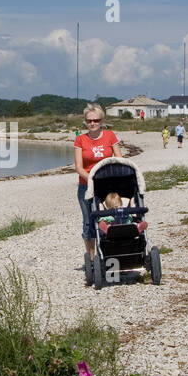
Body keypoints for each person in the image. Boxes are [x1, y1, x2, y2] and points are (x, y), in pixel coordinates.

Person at [74, 103, 123, 260]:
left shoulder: (110, 136)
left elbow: (119, 159)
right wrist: (92, 179)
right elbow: (79, 167)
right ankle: (91, 257)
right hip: (87, 186)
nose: (92, 123)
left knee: (111, 216)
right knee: (89, 222)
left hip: (108, 186)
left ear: (101, 121)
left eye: (95, 120)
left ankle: (111, 250)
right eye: (89, 121)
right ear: (85, 122)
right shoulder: (80, 140)